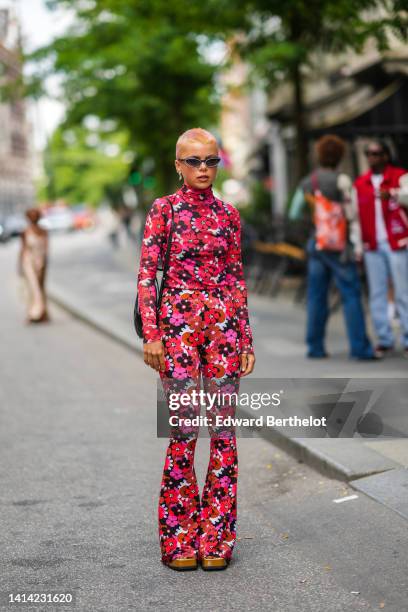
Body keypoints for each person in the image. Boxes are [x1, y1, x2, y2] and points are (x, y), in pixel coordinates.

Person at [137, 127, 256, 571]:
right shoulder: (163, 211)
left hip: (224, 329)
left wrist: (245, 337)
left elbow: (236, 277)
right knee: (185, 431)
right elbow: (148, 276)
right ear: (178, 165)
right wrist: (152, 334)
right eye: (194, 161)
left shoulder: (229, 215)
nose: (203, 169)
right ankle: (180, 536)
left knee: (223, 433)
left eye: (210, 161)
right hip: (178, 330)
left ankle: (217, 539)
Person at [289, 134, 376, 360]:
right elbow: (351, 213)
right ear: (339, 156)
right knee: (351, 294)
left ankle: (315, 347)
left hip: (316, 244)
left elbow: (294, 213)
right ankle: (360, 348)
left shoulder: (308, 182)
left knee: (317, 296)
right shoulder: (343, 180)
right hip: (340, 247)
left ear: (318, 156)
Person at [352, 140, 408, 359]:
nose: (373, 158)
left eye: (377, 153)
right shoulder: (361, 183)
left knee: (403, 292)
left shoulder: (400, 176)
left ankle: (406, 337)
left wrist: (394, 194)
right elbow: (356, 218)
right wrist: (358, 246)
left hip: (397, 241)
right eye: (369, 154)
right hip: (371, 244)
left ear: (386, 155)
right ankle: (384, 339)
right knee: (377, 293)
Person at [18, 208, 49, 324]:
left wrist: (44, 262)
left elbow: (46, 249)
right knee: (33, 288)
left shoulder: (44, 231)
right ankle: (33, 313)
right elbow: (23, 249)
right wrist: (20, 265)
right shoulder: (25, 231)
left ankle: (43, 313)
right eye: (31, 216)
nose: (33, 218)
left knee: (41, 287)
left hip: (40, 261)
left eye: (35, 216)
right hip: (28, 262)